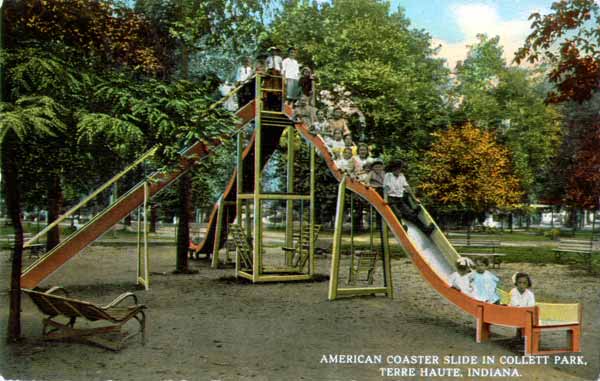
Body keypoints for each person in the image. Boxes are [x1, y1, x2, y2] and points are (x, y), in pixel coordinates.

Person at [384, 160, 434, 235]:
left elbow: (407, 188)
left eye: (399, 169)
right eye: (396, 169)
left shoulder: (402, 176)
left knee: (411, 215)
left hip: (400, 199)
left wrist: (414, 199)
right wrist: (385, 199)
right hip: (391, 199)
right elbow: (386, 188)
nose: (398, 171)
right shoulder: (388, 175)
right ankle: (401, 228)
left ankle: (426, 229)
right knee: (397, 214)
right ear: (392, 169)